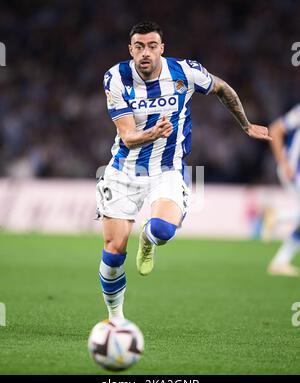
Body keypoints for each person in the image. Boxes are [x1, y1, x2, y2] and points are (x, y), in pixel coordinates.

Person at [96, 21, 271, 320]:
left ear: (162, 48)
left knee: (162, 230)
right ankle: (116, 319)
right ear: (131, 50)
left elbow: (222, 88)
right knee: (113, 253)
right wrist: (153, 132)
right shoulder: (116, 77)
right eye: (139, 47)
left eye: (152, 46)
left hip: (167, 169)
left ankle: (148, 240)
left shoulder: (184, 72)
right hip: (124, 171)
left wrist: (246, 124)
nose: (145, 53)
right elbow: (127, 136)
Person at [265, 103, 300, 277]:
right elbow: (276, 129)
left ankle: (280, 262)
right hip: (295, 170)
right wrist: (283, 162)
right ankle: (277, 216)